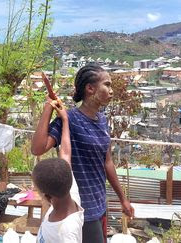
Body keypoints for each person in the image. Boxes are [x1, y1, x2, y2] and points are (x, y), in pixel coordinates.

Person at [31, 64, 134, 243]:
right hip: (79, 210)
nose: (111, 90)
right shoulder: (69, 119)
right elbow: (38, 148)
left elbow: (107, 162)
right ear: (90, 88)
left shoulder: (103, 121)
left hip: (100, 204)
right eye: (107, 85)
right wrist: (48, 107)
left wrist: (122, 199)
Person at [33, 99, 84, 243]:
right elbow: (66, 153)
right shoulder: (70, 193)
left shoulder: (66, 233)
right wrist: (65, 121)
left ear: (48, 197)